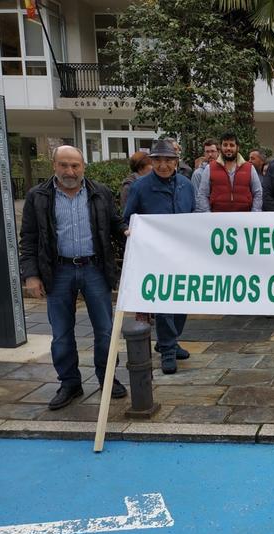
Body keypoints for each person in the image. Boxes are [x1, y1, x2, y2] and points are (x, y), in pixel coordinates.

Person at [20, 146, 129, 409]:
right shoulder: (38, 196)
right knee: (61, 333)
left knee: (105, 330)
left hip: (94, 270)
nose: (70, 171)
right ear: (54, 166)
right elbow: (29, 238)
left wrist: (128, 231)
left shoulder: (99, 192)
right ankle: (69, 383)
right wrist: (31, 275)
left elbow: (114, 223)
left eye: (75, 166)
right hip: (57, 272)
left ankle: (107, 378)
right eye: (64, 165)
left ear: (83, 167)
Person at [124, 139, 197, 374]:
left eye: (168, 160)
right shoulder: (140, 187)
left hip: (183, 254)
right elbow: (128, 218)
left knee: (183, 300)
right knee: (164, 303)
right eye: (158, 160)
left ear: (176, 161)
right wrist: (130, 231)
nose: (163, 165)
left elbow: (194, 215)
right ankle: (166, 349)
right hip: (155, 256)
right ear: (151, 162)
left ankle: (172, 341)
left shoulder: (186, 185)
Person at [195, 132, 263, 213]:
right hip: (217, 219)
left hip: (245, 220)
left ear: (237, 147)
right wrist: (208, 215)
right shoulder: (209, 168)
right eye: (225, 145)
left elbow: (258, 192)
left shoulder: (249, 168)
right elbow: (202, 194)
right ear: (220, 147)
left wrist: (254, 213)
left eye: (232, 145)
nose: (228, 148)